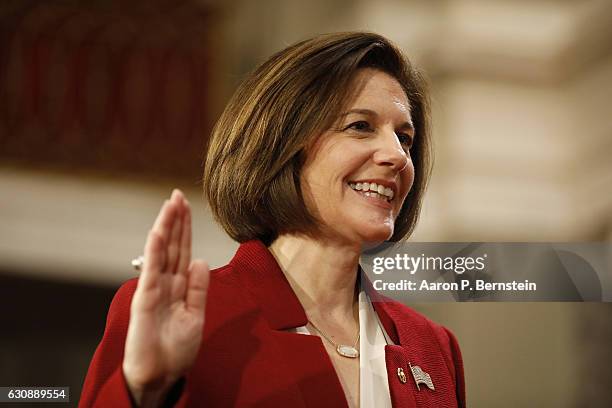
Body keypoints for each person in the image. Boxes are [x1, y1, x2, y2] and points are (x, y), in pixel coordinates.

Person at [80, 32, 465, 408]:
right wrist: (142, 392)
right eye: (360, 126)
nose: (397, 155)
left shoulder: (432, 347)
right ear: (282, 145)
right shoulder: (188, 316)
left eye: (405, 138)